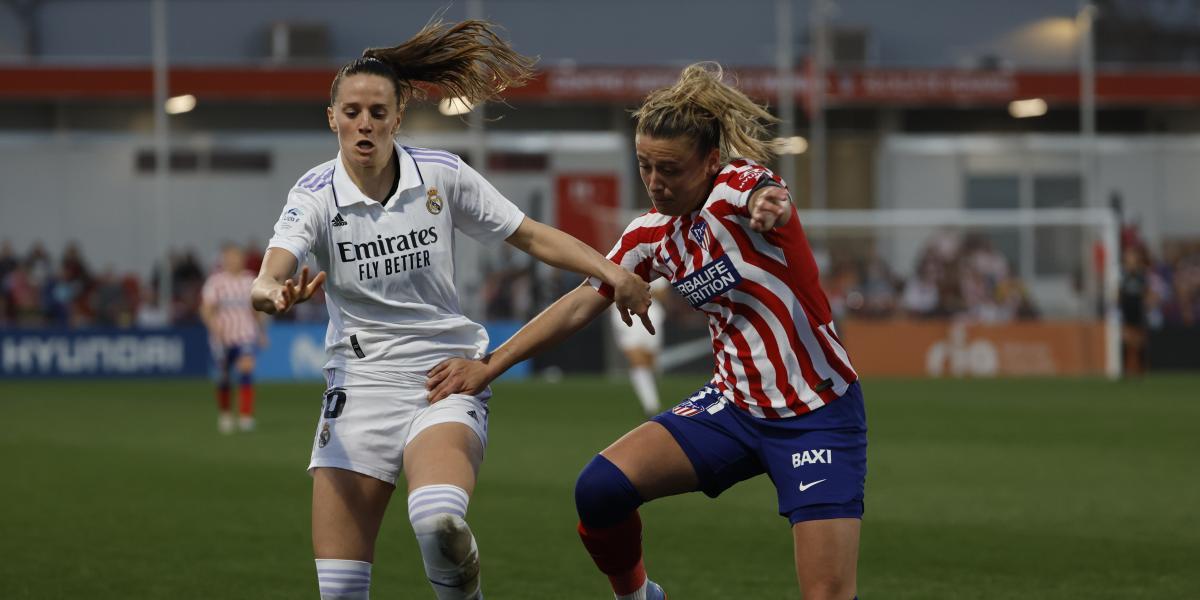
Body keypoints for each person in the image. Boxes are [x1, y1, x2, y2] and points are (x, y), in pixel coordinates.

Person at [427, 62, 865, 600]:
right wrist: (491, 364)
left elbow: (764, 194)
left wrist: (768, 207)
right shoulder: (650, 236)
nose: (655, 183)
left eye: (671, 169)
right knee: (600, 489)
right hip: (733, 407)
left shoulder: (738, 188)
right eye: (645, 166)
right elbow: (581, 303)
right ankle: (638, 597)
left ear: (709, 162)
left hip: (816, 415)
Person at [249, 18, 652, 600]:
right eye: (353, 112)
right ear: (332, 117)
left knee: (438, 522)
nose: (365, 124)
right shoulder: (313, 195)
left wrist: (612, 271)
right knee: (339, 591)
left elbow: (532, 235)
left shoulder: (441, 174)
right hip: (357, 387)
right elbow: (270, 273)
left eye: (378, 112)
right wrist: (273, 294)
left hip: (443, 378)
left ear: (399, 116)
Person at [200, 243, 265, 433]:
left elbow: (255, 310)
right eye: (230, 257)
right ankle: (226, 414)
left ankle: (246, 416)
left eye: (237, 256)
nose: (234, 260)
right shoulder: (215, 282)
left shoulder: (249, 280)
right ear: (224, 259)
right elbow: (206, 309)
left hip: (245, 334)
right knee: (224, 376)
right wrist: (214, 327)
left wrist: (261, 333)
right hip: (223, 337)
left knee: (246, 369)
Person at [608, 278, 671, 417]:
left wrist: (635, 292)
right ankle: (651, 405)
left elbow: (663, 293)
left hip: (652, 312)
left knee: (650, 362)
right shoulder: (616, 261)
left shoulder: (653, 262)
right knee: (636, 359)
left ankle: (651, 399)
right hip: (625, 314)